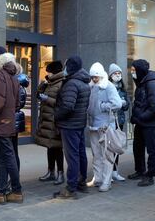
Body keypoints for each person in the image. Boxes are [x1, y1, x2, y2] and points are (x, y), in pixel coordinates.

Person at [0, 46, 23, 204]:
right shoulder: (13, 76)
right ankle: (0, 192)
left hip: (1, 123)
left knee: (8, 158)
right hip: (10, 123)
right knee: (6, 158)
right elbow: (17, 102)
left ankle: (16, 190)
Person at [53, 55, 91, 199]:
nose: (64, 68)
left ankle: (71, 187)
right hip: (79, 123)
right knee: (80, 154)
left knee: (72, 156)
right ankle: (81, 183)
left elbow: (68, 106)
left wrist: (56, 115)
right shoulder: (83, 82)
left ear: (71, 67)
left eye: (66, 65)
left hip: (70, 125)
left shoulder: (71, 83)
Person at [87, 62, 122, 192]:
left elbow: (117, 104)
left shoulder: (109, 86)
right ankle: (98, 178)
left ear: (101, 75)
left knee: (107, 155)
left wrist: (102, 106)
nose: (94, 79)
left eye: (96, 77)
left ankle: (106, 181)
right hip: (93, 125)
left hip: (106, 126)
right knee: (96, 154)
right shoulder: (90, 87)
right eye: (92, 77)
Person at [128, 59, 155, 186]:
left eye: (134, 70)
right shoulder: (141, 82)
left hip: (149, 123)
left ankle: (150, 175)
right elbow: (139, 103)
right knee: (137, 147)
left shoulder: (151, 84)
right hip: (140, 122)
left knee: (151, 150)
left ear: (140, 70)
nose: (132, 72)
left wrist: (141, 117)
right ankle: (140, 170)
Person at [35, 61, 65, 185]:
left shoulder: (61, 83)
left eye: (49, 72)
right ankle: (50, 172)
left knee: (58, 149)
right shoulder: (50, 83)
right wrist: (43, 83)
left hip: (55, 121)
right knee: (50, 147)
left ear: (55, 72)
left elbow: (62, 103)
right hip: (47, 120)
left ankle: (60, 174)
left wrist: (48, 99)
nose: (47, 73)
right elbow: (38, 94)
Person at [108, 63, 130, 181]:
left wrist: (124, 103)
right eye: (115, 73)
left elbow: (127, 106)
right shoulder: (107, 87)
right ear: (110, 75)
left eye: (119, 73)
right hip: (109, 121)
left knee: (117, 146)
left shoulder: (122, 88)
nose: (117, 75)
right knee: (109, 147)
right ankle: (108, 171)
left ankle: (115, 171)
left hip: (119, 120)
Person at [14, 72, 29, 172]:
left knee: (13, 151)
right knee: (14, 150)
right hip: (15, 119)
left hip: (13, 119)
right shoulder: (21, 88)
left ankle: (15, 174)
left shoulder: (19, 89)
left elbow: (17, 105)